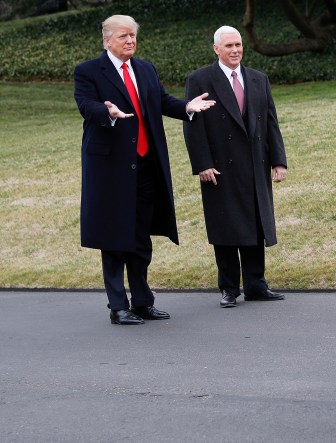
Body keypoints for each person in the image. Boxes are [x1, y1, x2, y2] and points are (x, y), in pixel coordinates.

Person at [74, 15, 216, 325]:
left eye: (133, 36)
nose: (130, 41)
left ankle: (142, 302)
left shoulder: (145, 69)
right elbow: (86, 104)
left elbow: (161, 101)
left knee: (140, 237)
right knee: (113, 238)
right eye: (123, 36)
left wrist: (187, 108)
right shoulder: (88, 71)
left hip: (146, 166)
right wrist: (106, 111)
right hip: (110, 171)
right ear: (107, 40)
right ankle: (117, 306)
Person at [184, 25, 288, 308]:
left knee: (255, 225)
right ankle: (229, 288)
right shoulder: (200, 79)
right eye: (228, 46)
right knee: (226, 227)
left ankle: (256, 284)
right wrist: (202, 163)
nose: (235, 50)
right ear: (216, 49)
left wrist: (278, 160)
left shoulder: (258, 79)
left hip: (255, 164)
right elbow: (192, 125)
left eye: (238, 45)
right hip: (219, 167)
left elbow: (270, 122)